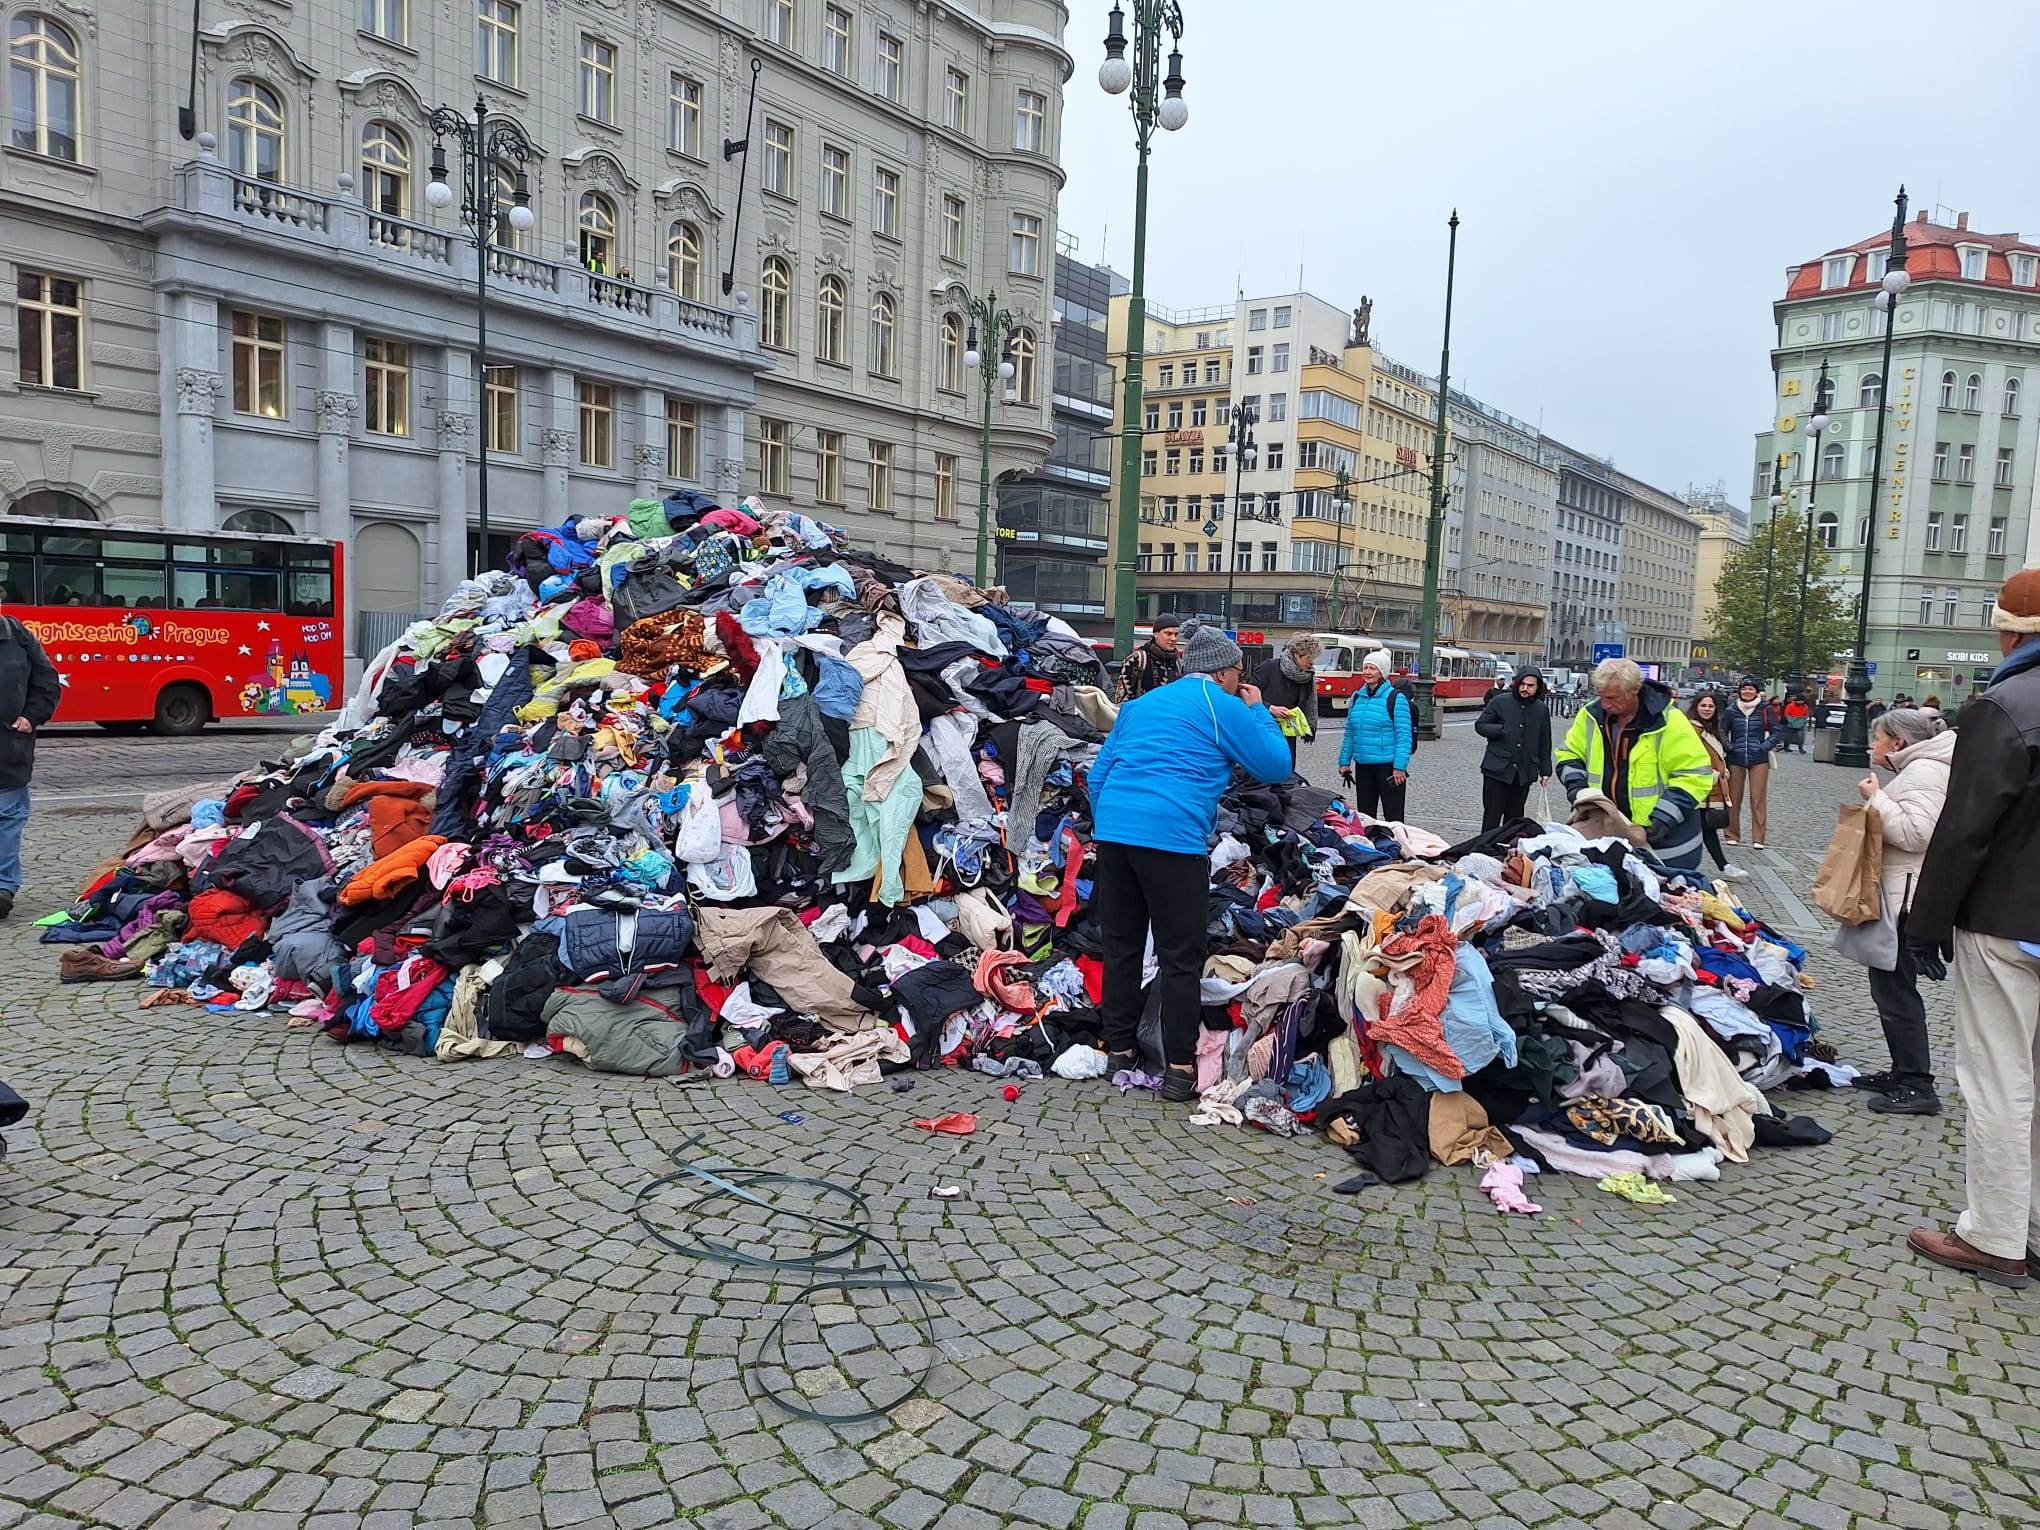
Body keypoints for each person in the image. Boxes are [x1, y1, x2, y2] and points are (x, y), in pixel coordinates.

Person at [1903, 569, 2040, 1287]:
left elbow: (1964, 833)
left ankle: (1993, 1235)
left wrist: (1926, 924)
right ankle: (2034, 1226)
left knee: (1997, 1078)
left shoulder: (2005, 706)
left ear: (2009, 631)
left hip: (2008, 922)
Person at [1088, 620, 1291, 1104]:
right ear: (1225, 672)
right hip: (1173, 838)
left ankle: (1118, 1050)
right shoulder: (1221, 705)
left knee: (1121, 945)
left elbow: (1099, 775)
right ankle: (1179, 1067)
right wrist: (1259, 710)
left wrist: (1113, 823)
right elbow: (1276, 765)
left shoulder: (1138, 705)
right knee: (1181, 955)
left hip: (1115, 833)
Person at [1837, 707, 1956, 1118]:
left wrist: (1877, 798)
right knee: (1889, 986)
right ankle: (1902, 1071)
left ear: (1899, 742)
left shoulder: (1924, 772)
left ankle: (1917, 1085)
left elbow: (1915, 833)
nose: (1873, 745)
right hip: (1904, 891)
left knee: (1896, 990)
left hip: (1907, 897)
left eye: (1878, 738)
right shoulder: (1923, 767)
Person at [1555, 657, 1714, 871]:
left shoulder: (1670, 721)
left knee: (1668, 898)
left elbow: (1694, 775)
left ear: (1635, 689)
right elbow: (1568, 754)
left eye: (1612, 697)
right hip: (1608, 829)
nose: (1605, 704)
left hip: (1665, 838)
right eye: (1601, 696)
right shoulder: (1591, 715)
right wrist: (1576, 788)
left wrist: (1663, 817)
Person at [0, 611, 61, 919]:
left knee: (7, 821)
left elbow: (47, 682)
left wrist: (30, 716)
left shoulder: (17, 635)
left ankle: (2, 889)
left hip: (8, 751)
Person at [1337, 647, 1415, 821]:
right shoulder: (1357, 697)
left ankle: (1397, 845)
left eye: (1372, 668)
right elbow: (1350, 732)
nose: (1367, 672)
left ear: (1382, 672)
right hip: (1363, 765)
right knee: (1365, 815)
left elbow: (1404, 735)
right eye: (1365, 668)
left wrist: (1400, 767)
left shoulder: (1396, 698)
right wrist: (1344, 762)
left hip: (1388, 766)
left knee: (1393, 816)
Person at [1473, 666, 1553, 830]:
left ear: (1538, 687)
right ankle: (1486, 849)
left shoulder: (1541, 709)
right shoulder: (1500, 701)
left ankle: (1508, 849)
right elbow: (1481, 725)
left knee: (1515, 818)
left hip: (1524, 771)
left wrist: (1546, 770)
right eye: (1522, 684)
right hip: (1497, 769)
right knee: (1492, 816)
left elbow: (1544, 741)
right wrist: (1501, 730)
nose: (1525, 688)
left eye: (1530, 685)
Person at [1684, 692, 1747, 880]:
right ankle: (1719, 865)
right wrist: (1712, 774)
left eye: (1710, 706)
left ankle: (1721, 865)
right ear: (1696, 707)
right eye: (1703, 705)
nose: (1707, 709)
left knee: (1706, 828)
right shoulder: (1692, 729)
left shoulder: (1710, 729)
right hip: (1698, 785)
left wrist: (1722, 770)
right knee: (1699, 828)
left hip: (1710, 785)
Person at [1720, 675, 1779, 849]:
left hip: (1759, 758)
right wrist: (1729, 746)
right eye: (1744, 689)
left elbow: (1776, 731)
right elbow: (1722, 730)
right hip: (1735, 757)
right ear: (1739, 691)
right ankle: (1731, 834)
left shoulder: (1765, 709)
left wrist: (1764, 747)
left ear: (1756, 691)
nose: (1747, 692)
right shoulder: (1732, 710)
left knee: (1758, 799)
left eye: (1750, 688)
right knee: (1733, 798)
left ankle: (1758, 838)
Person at [1248, 633, 1321, 767]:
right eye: (1309, 658)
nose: (1312, 663)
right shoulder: (1269, 667)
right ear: (1296, 654)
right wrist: (1270, 708)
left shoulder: (1305, 675)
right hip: (1264, 728)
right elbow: (1246, 693)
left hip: (1288, 731)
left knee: (1287, 767)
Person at [1116, 612, 1182, 702]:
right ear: (1156, 634)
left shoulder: (1178, 662)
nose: (1173, 638)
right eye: (1168, 634)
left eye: (1176, 634)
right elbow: (1122, 698)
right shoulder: (1138, 659)